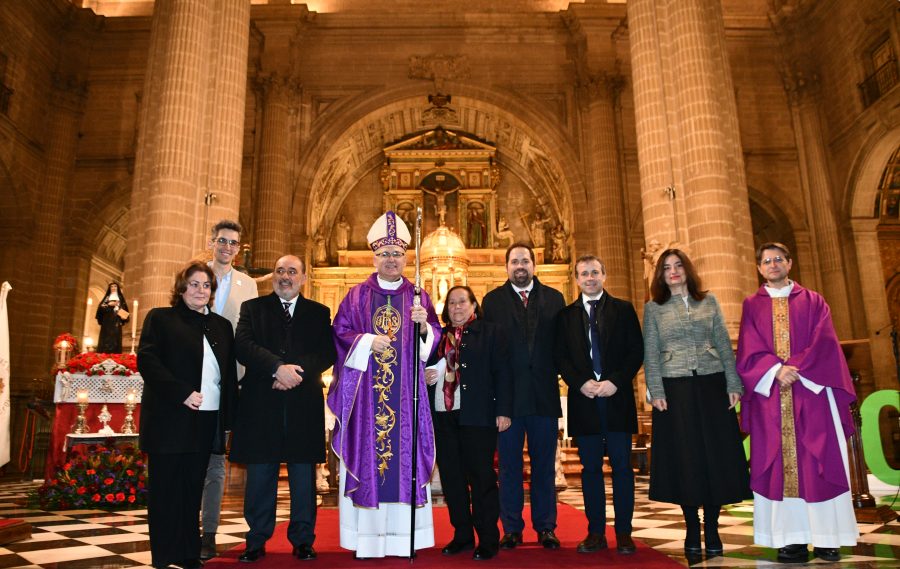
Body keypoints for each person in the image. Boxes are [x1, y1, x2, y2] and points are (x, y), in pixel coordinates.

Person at [327, 211, 442, 558]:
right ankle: (369, 541)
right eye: (384, 254)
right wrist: (365, 341)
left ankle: (406, 538)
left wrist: (424, 328)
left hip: (406, 398)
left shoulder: (419, 296)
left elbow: (435, 341)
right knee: (369, 458)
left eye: (397, 253)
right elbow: (339, 333)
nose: (391, 259)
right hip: (367, 401)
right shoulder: (357, 295)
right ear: (374, 257)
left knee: (404, 458)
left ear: (406, 257)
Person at [736, 243, 858, 563]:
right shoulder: (752, 305)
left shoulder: (814, 300)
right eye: (766, 261)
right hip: (771, 397)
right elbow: (748, 348)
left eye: (778, 259)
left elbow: (826, 342)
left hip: (812, 393)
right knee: (778, 465)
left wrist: (796, 369)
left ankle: (827, 538)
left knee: (819, 462)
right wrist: (775, 370)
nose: (773, 265)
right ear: (759, 268)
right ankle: (790, 540)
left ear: (789, 263)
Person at [643, 249, 750, 557]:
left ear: (687, 269)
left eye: (678, 266)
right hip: (674, 388)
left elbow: (723, 343)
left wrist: (733, 382)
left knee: (714, 457)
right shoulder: (654, 308)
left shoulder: (709, 301)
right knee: (685, 458)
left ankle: (713, 526)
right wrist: (656, 389)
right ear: (661, 275)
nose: (673, 271)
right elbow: (651, 352)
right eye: (666, 268)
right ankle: (691, 525)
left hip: (711, 383)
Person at [230, 255, 337, 562]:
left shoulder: (319, 312)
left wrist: (295, 373)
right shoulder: (253, 308)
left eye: (292, 271)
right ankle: (256, 540)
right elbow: (244, 345)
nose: (285, 276)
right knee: (261, 473)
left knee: (303, 476)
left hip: (303, 403)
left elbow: (327, 352)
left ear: (303, 278)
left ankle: (303, 539)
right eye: (280, 271)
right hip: (262, 402)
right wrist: (277, 368)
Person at [137, 262, 237, 569]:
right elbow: (148, 360)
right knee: (166, 490)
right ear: (181, 288)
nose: (200, 290)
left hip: (206, 419)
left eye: (206, 286)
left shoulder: (221, 326)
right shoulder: (161, 318)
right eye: (194, 284)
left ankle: (188, 553)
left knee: (192, 488)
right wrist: (181, 391)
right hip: (170, 417)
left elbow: (228, 374)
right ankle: (165, 555)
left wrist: (230, 420)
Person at [553, 255, 643, 555]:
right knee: (590, 469)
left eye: (594, 272)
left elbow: (635, 351)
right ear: (576, 279)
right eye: (583, 273)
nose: (589, 278)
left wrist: (615, 381)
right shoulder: (566, 316)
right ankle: (595, 533)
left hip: (617, 398)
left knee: (621, 469)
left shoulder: (623, 309)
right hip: (584, 400)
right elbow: (561, 357)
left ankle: (625, 533)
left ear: (603, 275)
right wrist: (580, 382)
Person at [482, 243, 565, 550]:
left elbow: (562, 346)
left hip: (544, 395)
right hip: (507, 401)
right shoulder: (492, 302)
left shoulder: (555, 299)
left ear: (534, 264)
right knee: (509, 467)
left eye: (525, 261)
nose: (520, 265)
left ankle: (546, 527)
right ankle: (512, 528)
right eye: (514, 261)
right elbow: (488, 354)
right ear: (506, 266)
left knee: (544, 466)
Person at [425, 286, 512, 561]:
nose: (457, 307)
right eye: (452, 303)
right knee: (452, 479)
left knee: (481, 477)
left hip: (477, 414)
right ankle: (462, 534)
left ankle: (487, 538)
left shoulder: (491, 332)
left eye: (462, 301)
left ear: (474, 305)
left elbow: (503, 373)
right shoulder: (438, 337)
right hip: (443, 413)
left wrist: (504, 410)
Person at [200, 220, 259, 560]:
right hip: (193, 377)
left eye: (233, 243)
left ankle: (209, 531)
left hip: (229, 380)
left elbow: (247, 333)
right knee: (189, 456)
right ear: (212, 241)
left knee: (216, 459)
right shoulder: (195, 274)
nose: (227, 247)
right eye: (221, 240)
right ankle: (184, 525)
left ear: (239, 248)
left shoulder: (247, 284)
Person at [96, 282, 129, 353]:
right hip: (107, 321)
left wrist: (124, 317)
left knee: (115, 338)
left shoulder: (120, 298)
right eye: (112, 287)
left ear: (117, 288)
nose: (113, 288)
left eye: (115, 286)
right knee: (106, 338)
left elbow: (124, 309)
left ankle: (115, 354)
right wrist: (109, 305)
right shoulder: (107, 298)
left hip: (116, 321)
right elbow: (100, 309)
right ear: (109, 288)